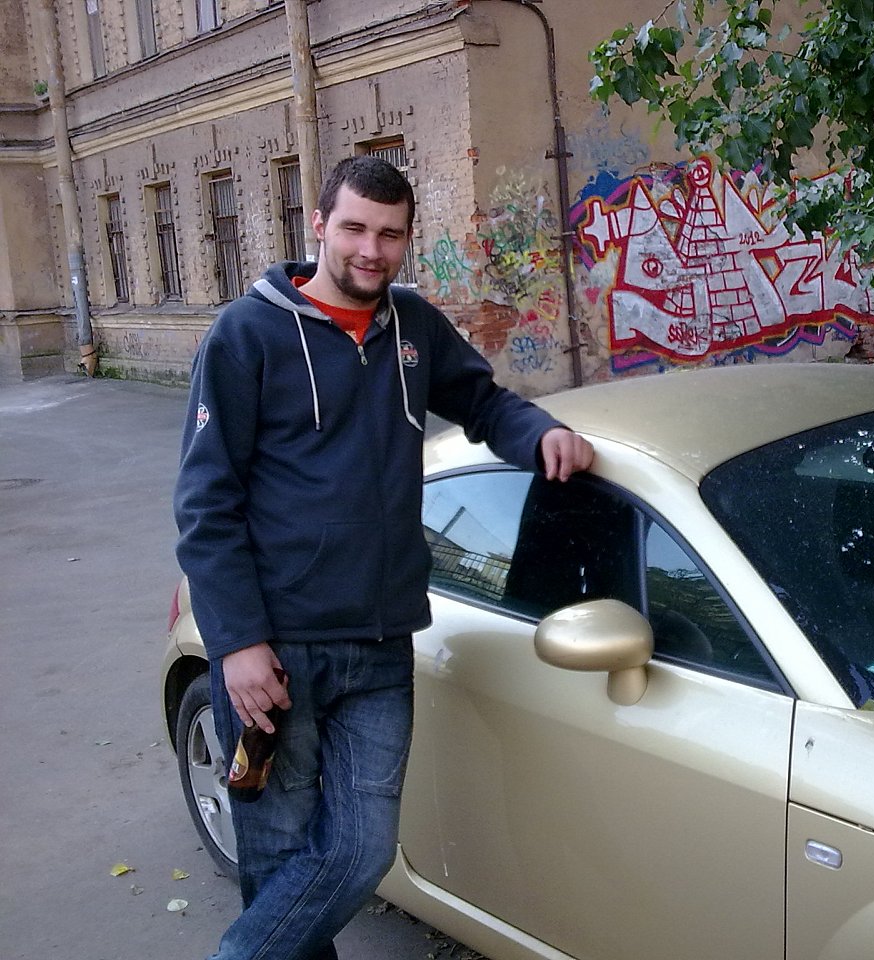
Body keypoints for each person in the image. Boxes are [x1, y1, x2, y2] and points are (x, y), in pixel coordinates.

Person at [173, 155, 594, 960]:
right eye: (355, 229)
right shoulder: (246, 335)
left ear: (407, 239)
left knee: (360, 853)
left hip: (378, 644)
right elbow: (204, 503)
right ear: (319, 226)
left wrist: (541, 433)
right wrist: (236, 642)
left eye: (391, 235)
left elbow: (482, 403)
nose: (372, 250)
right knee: (281, 859)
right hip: (277, 650)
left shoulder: (412, 326)